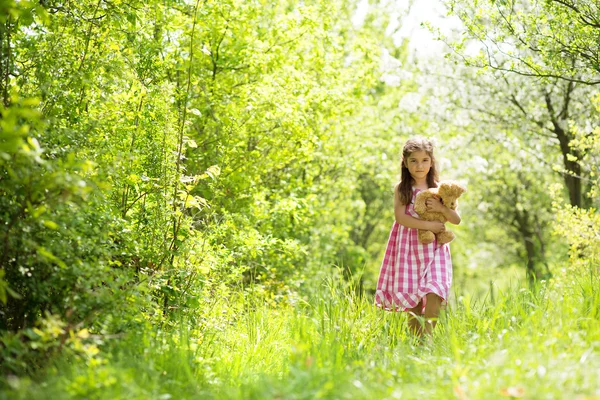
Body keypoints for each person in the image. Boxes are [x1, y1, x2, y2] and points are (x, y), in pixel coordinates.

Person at [375, 137, 461, 337]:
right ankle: (416, 343)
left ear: (431, 162)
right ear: (405, 163)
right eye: (413, 160)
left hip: (435, 248)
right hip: (408, 247)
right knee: (413, 299)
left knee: (435, 291)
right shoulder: (402, 189)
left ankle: (428, 339)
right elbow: (400, 217)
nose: (419, 165)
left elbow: (456, 219)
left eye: (424, 160)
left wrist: (440, 208)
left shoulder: (442, 188)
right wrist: (428, 225)